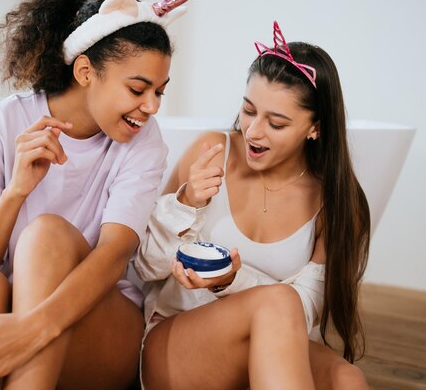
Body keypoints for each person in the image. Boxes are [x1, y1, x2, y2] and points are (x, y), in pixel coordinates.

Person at [0, 0, 205, 390]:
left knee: (46, 235)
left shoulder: (144, 141)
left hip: (98, 325)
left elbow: (113, 255)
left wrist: (31, 328)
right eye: (138, 89)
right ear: (86, 71)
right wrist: (16, 191)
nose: (153, 106)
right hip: (13, 314)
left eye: (159, 92)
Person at [134, 21, 371, 390]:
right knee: (278, 301)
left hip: (268, 346)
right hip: (177, 343)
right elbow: (145, 265)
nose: (253, 131)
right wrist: (186, 202)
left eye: (276, 123)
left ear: (316, 128)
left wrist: (232, 281)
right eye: (248, 110)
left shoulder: (338, 203)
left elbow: (305, 309)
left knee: (348, 380)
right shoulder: (212, 154)